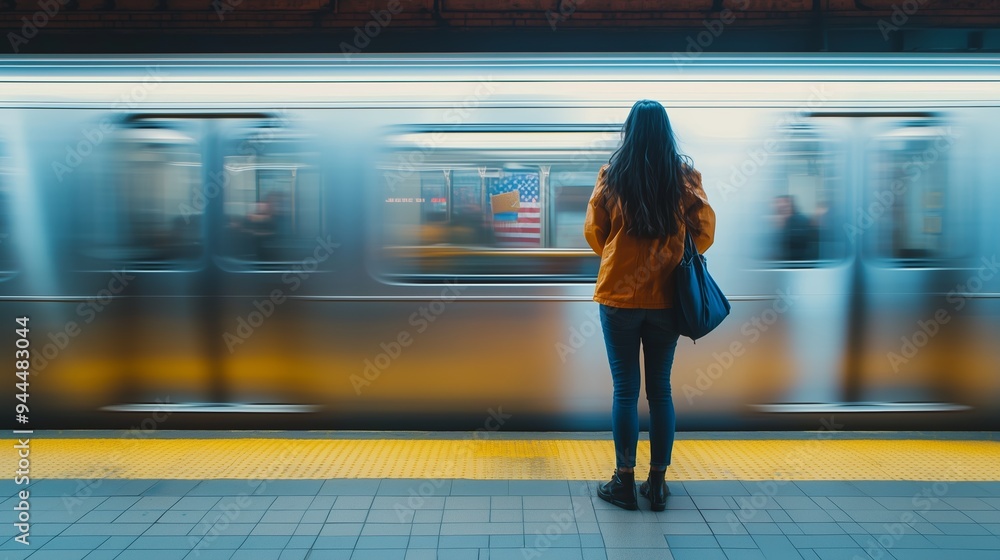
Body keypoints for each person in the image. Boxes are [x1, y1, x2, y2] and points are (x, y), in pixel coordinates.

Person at [584, 99, 716, 511]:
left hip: (618, 297)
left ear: (630, 131)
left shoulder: (612, 175)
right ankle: (657, 484)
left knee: (625, 391)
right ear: (666, 133)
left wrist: (618, 257)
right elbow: (705, 229)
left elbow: (594, 232)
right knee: (661, 390)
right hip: (665, 299)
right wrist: (673, 255)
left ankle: (624, 482)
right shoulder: (684, 177)